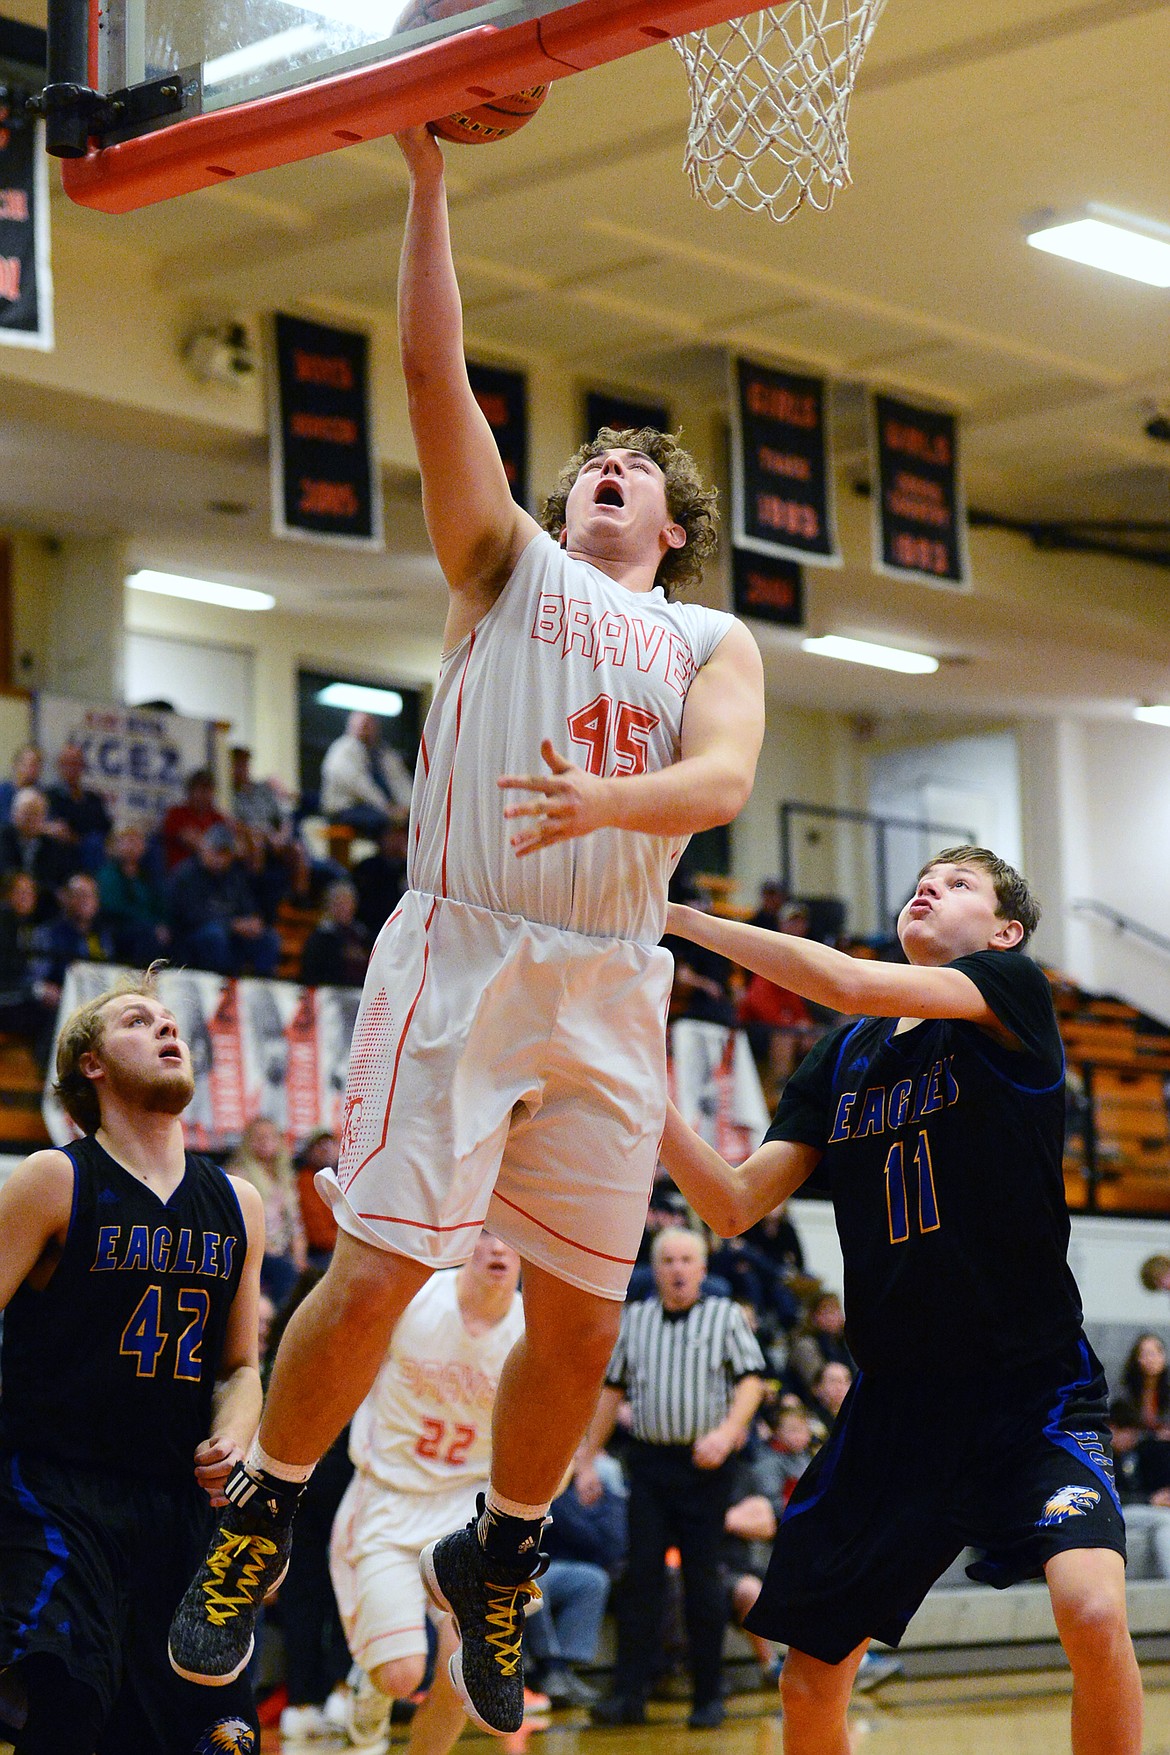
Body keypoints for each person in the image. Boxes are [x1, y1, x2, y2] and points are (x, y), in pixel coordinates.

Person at [167, 118, 764, 1742]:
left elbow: (719, 773)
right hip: (474, 941)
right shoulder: (509, 562)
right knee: (373, 1272)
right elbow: (436, 386)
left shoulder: (711, 631)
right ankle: (264, 1513)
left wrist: (619, 812)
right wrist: (430, 189)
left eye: (633, 469)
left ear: (677, 520)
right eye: (593, 462)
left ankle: (506, 1552)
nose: (608, 472)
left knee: (581, 1313)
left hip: (614, 972)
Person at [656, 844, 1143, 1755]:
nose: (931, 884)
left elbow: (844, 978)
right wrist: (641, 1091)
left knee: (1088, 1605)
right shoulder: (843, 1055)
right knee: (808, 1678)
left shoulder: (1012, 990)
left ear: (1005, 929)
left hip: (1028, 1391)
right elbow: (730, 1204)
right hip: (899, 1408)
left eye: (961, 882)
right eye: (926, 874)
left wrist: (678, 916)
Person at [0, 971, 265, 1752]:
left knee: (212, 1739)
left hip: (180, 1505)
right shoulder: (56, 1178)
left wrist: (236, 1432)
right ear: (91, 1063)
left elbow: (241, 1366)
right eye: (136, 1020)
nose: (164, 1026)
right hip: (58, 1491)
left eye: (168, 1019)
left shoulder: (238, 1201)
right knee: (70, 1707)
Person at [328, 1233, 525, 1753]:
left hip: (470, 1511)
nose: (499, 1250)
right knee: (399, 1675)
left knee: (461, 1671)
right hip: (389, 1495)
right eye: (486, 1236)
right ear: (466, 1241)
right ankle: (367, 1686)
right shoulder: (414, 1298)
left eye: (512, 1240)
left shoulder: (534, 1332)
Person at [580, 1227, 766, 1730]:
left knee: (704, 1582)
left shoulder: (724, 1316)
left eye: (687, 1260)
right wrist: (585, 1460)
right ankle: (628, 1696)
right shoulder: (635, 1319)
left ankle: (708, 1696)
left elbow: (752, 1380)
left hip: (705, 1468)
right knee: (641, 1580)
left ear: (703, 1270)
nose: (678, 1269)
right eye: (668, 1261)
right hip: (650, 1466)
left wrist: (728, 1433)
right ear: (654, 1269)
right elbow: (612, 1392)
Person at [168, 823, 281, 978]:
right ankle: (218, 984)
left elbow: (248, 907)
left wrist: (253, 922)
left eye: (225, 853)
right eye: (216, 851)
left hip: (231, 936)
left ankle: (261, 985)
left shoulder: (234, 876)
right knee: (215, 936)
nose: (220, 858)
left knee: (269, 938)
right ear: (205, 849)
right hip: (192, 937)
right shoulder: (187, 874)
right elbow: (190, 916)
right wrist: (232, 924)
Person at [227, 1116, 308, 1306]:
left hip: (282, 1251)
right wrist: (267, 1250)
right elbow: (239, 1222)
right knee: (284, 1272)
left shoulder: (285, 1178)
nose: (264, 1142)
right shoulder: (238, 1175)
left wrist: (300, 1256)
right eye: (258, 1137)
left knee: (310, 1276)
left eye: (270, 1137)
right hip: (254, 1250)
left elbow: (296, 1225)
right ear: (248, 1142)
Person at [320, 712, 414, 839]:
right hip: (345, 809)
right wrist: (389, 809)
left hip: (378, 808)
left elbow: (400, 781)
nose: (366, 729)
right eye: (362, 725)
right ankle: (385, 858)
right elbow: (361, 786)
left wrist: (410, 808)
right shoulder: (342, 750)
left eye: (369, 725)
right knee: (383, 823)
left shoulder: (385, 753)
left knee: (411, 822)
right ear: (350, 727)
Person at [44, 740, 113, 873]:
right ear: (59, 766)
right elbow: (58, 830)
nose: (72, 768)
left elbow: (106, 831)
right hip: (61, 856)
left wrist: (79, 839)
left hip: (93, 855)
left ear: (82, 766)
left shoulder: (94, 799)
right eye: (67, 763)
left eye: (76, 763)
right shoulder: (48, 796)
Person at [300, 878, 371, 988]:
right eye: (339, 904)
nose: (344, 908)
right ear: (329, 906)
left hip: (358, 991)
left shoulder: (361, 934)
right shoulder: (320, 937)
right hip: (328, 990)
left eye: (348, 903)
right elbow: (312, 972)